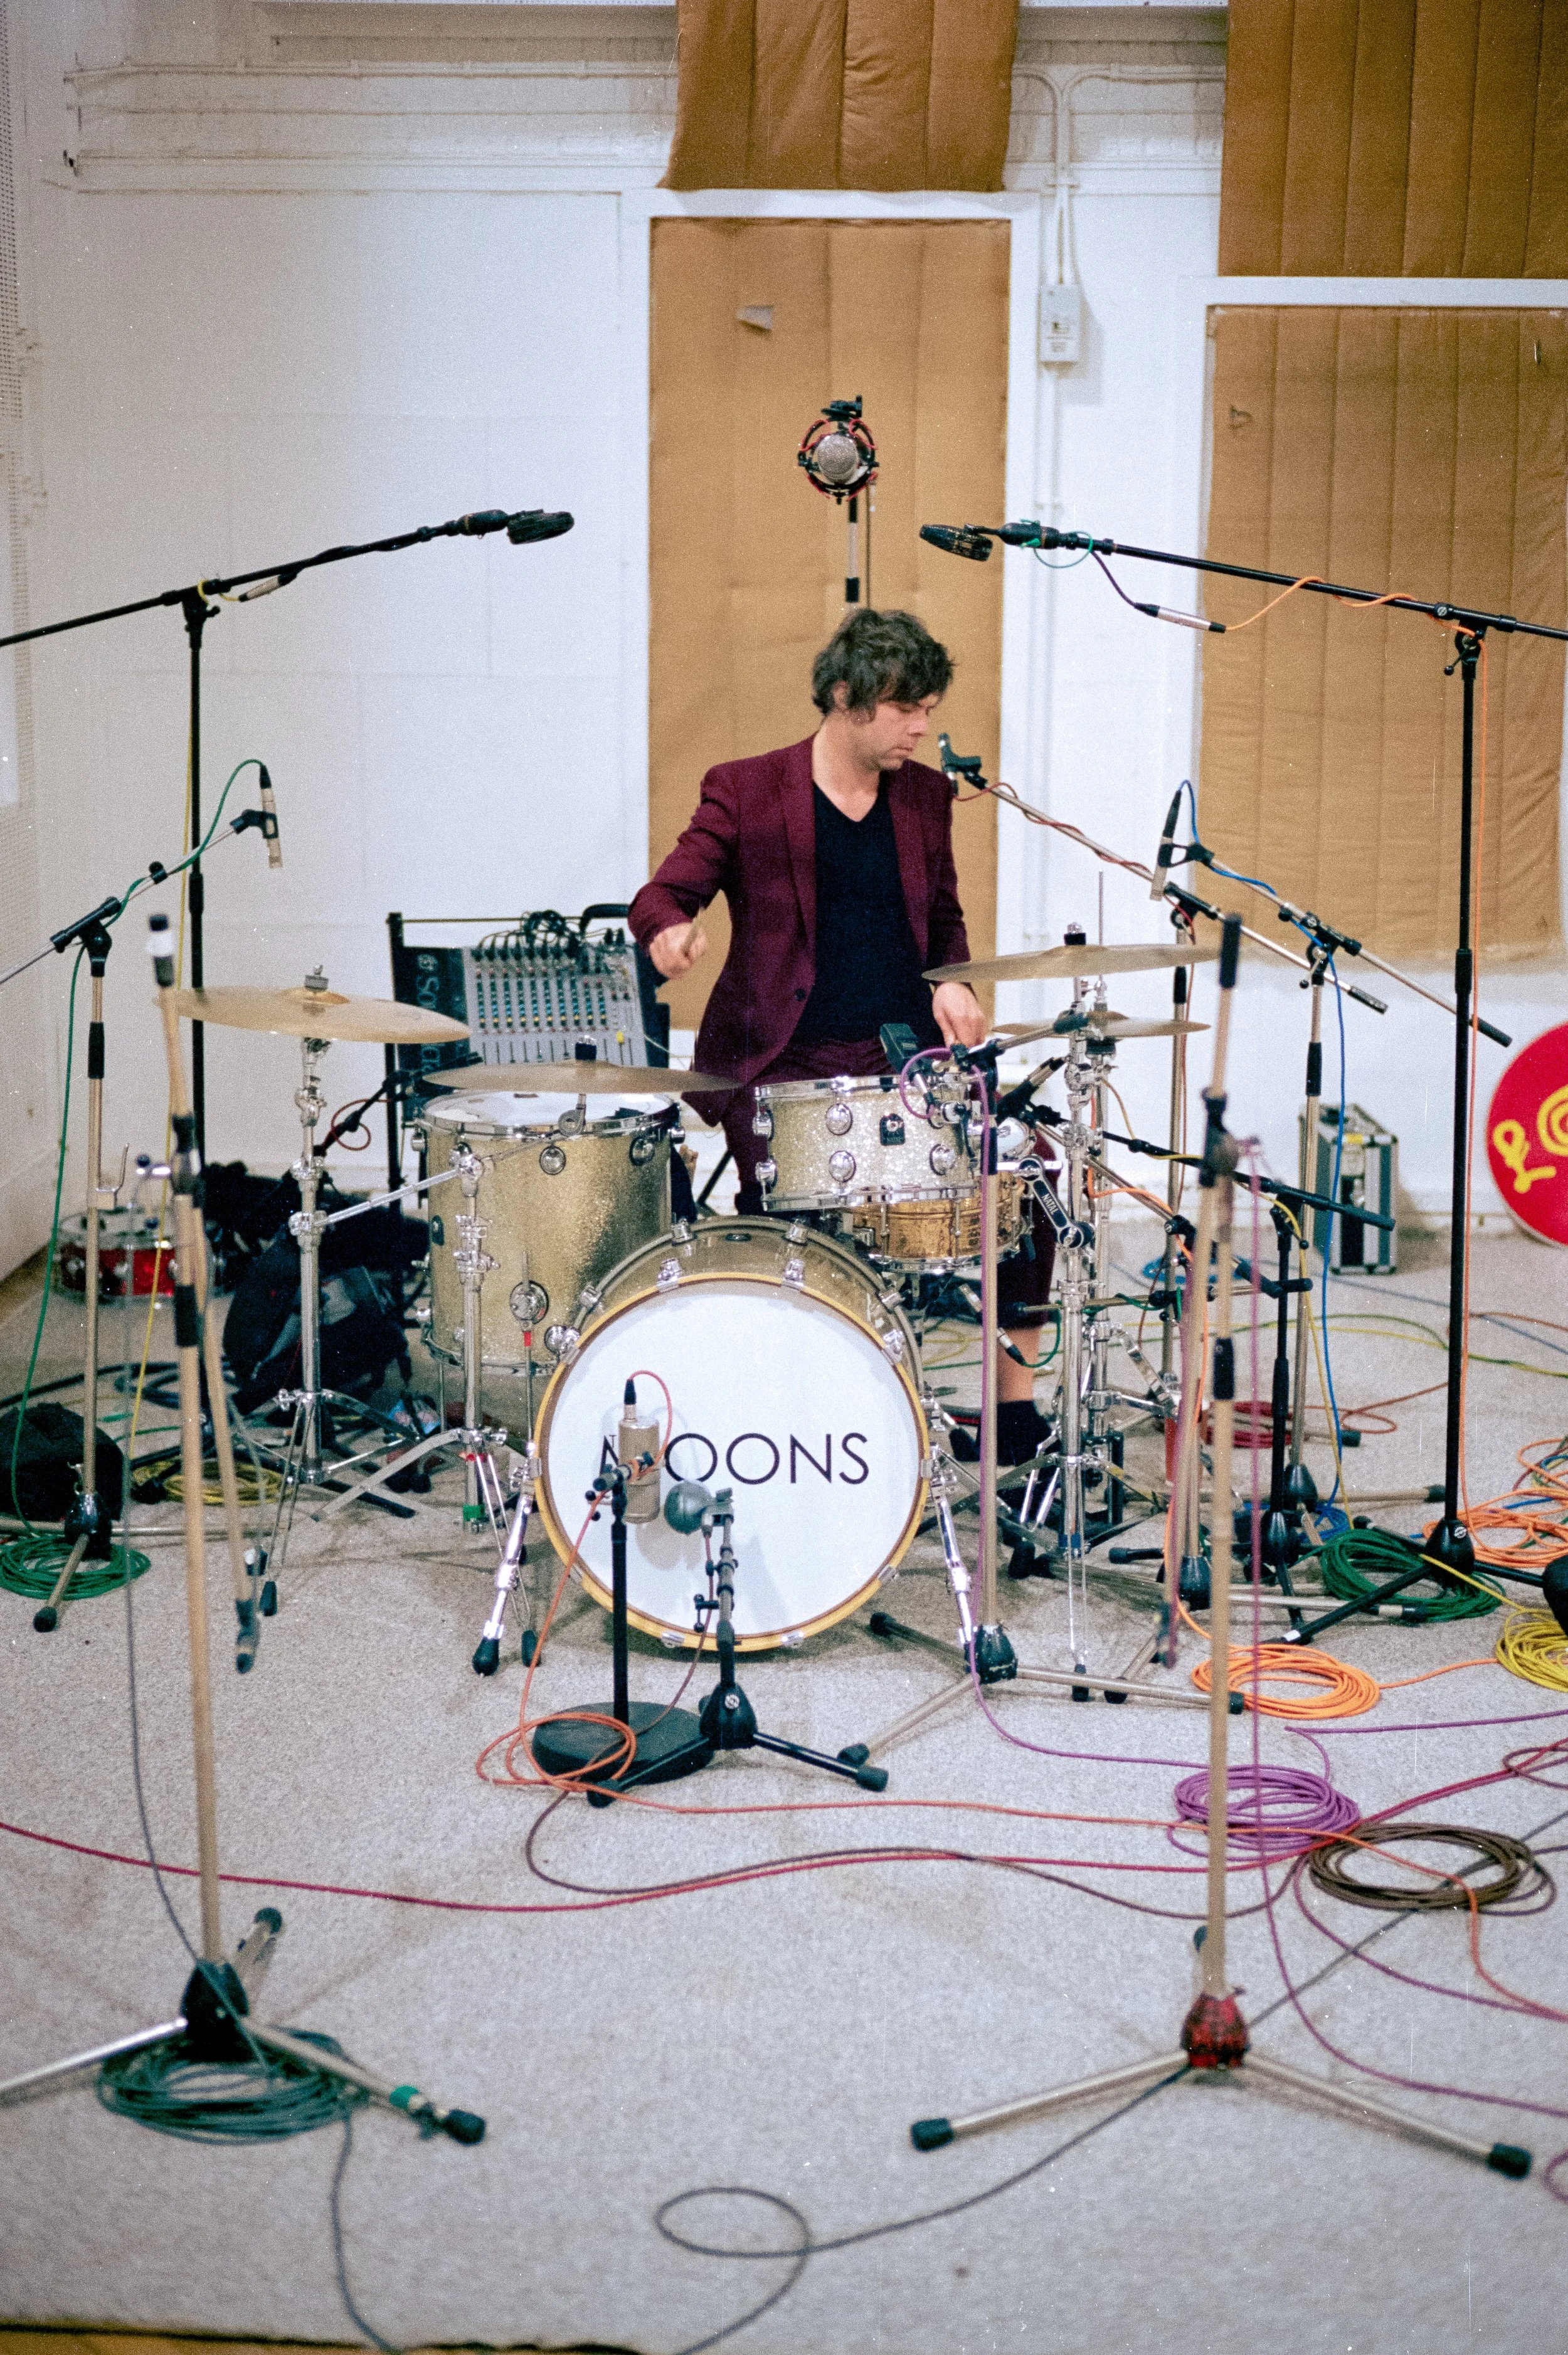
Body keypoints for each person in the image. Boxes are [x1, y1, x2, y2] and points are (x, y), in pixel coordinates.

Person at [629, 608, 1053, 1461]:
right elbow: (665, 892)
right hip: (780, 1061)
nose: (923, 726)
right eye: (907, 709)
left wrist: (959, 982)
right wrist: (667, 932)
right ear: (846, 697)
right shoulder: (746, 788)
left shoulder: (927, 796)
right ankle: (813, 1413)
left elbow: (944, 921)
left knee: (1030, 1171)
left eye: (929, 707)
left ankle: (1010, 1409)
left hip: (899, 1058)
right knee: (809, 1231)